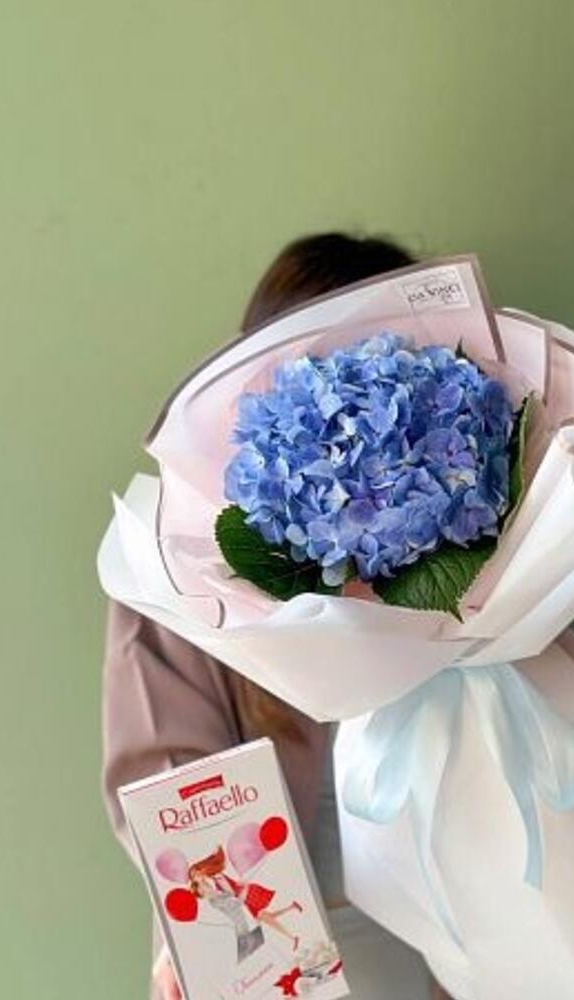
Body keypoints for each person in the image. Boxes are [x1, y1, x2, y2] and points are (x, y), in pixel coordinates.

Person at [101, 232, 446, 1000]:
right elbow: (168, 776)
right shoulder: (179, 561)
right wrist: (205, 943)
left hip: (434, 955)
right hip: (270, 954)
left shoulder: (470, 555)